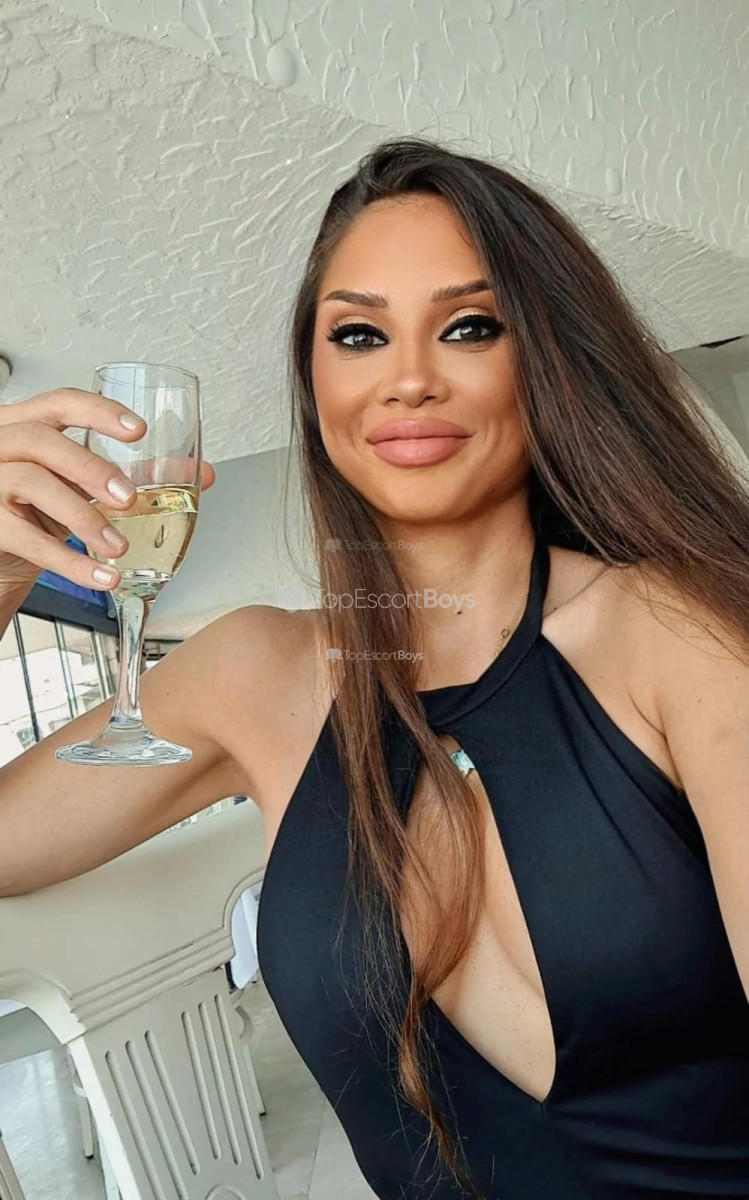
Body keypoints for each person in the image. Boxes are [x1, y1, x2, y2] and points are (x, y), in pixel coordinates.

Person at [0, 136, 747, 1200]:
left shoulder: (680, 632)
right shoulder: (252, 674)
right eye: (357, 334)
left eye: (469, 326)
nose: (406, 379)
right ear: (313, 383)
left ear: (547, 360)